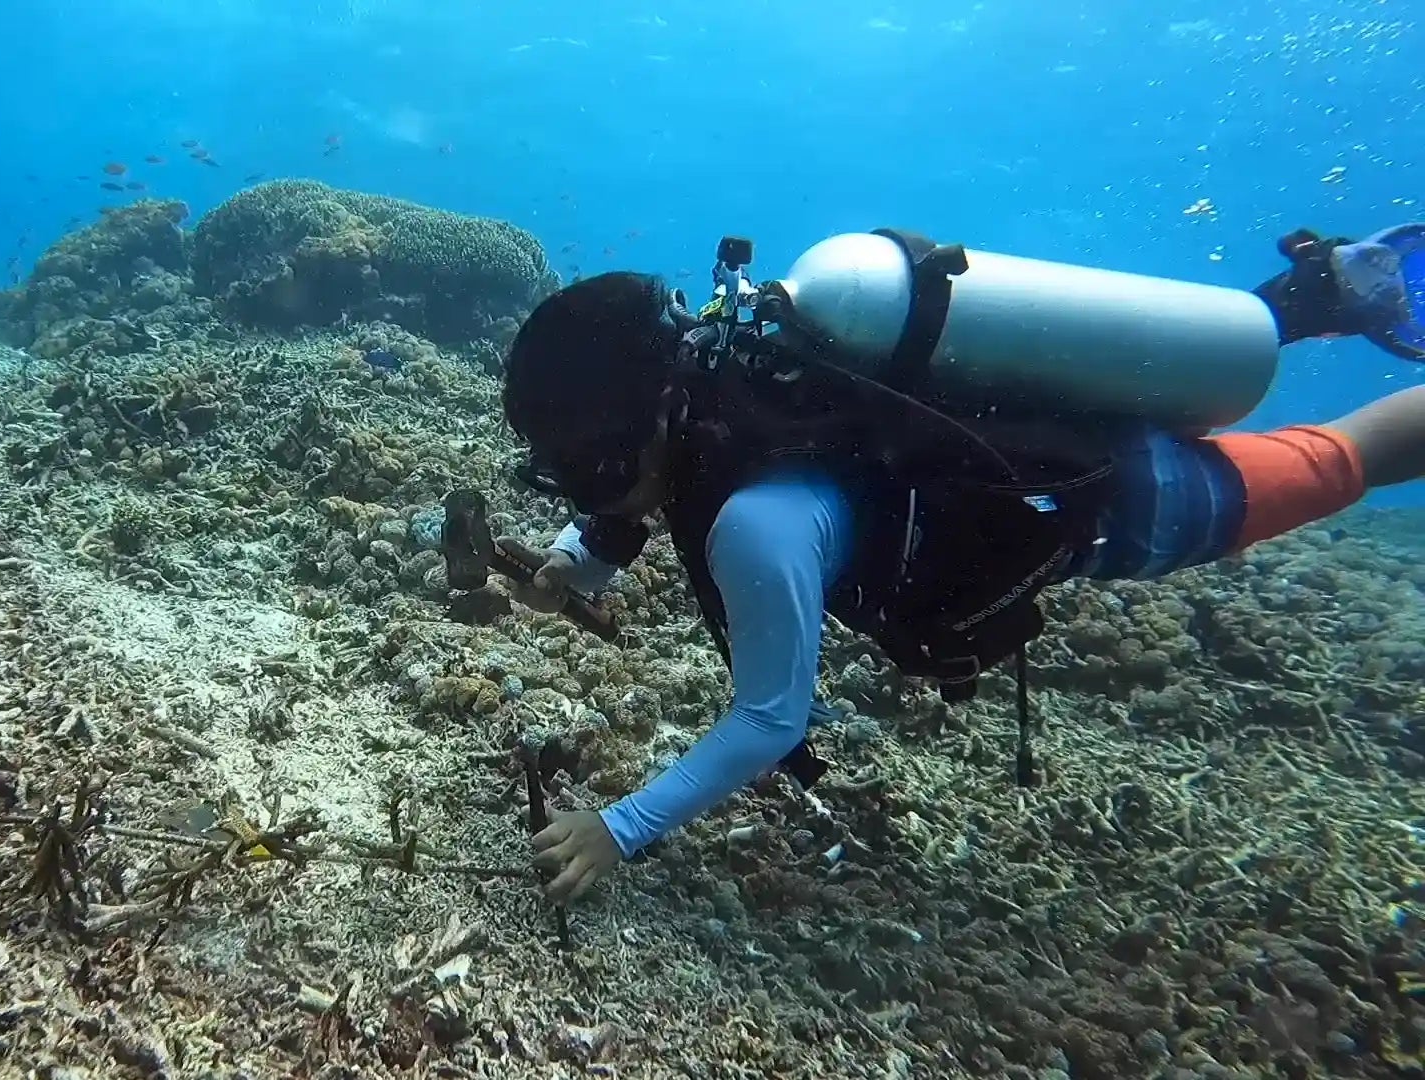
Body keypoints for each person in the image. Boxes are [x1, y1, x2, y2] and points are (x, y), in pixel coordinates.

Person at [499, 223, 1425, 905]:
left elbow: (770, 719)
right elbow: (637, 497)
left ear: (637, 435)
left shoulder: (753, 528)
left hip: (1111, 503)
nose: (582, 488)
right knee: (1156, 379)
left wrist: (617, 830)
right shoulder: (722, 381)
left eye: (584, 466)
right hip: (1042, 416)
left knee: (1343, 459)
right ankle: (1309, 300)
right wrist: (569, 566)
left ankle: (1319, 319)